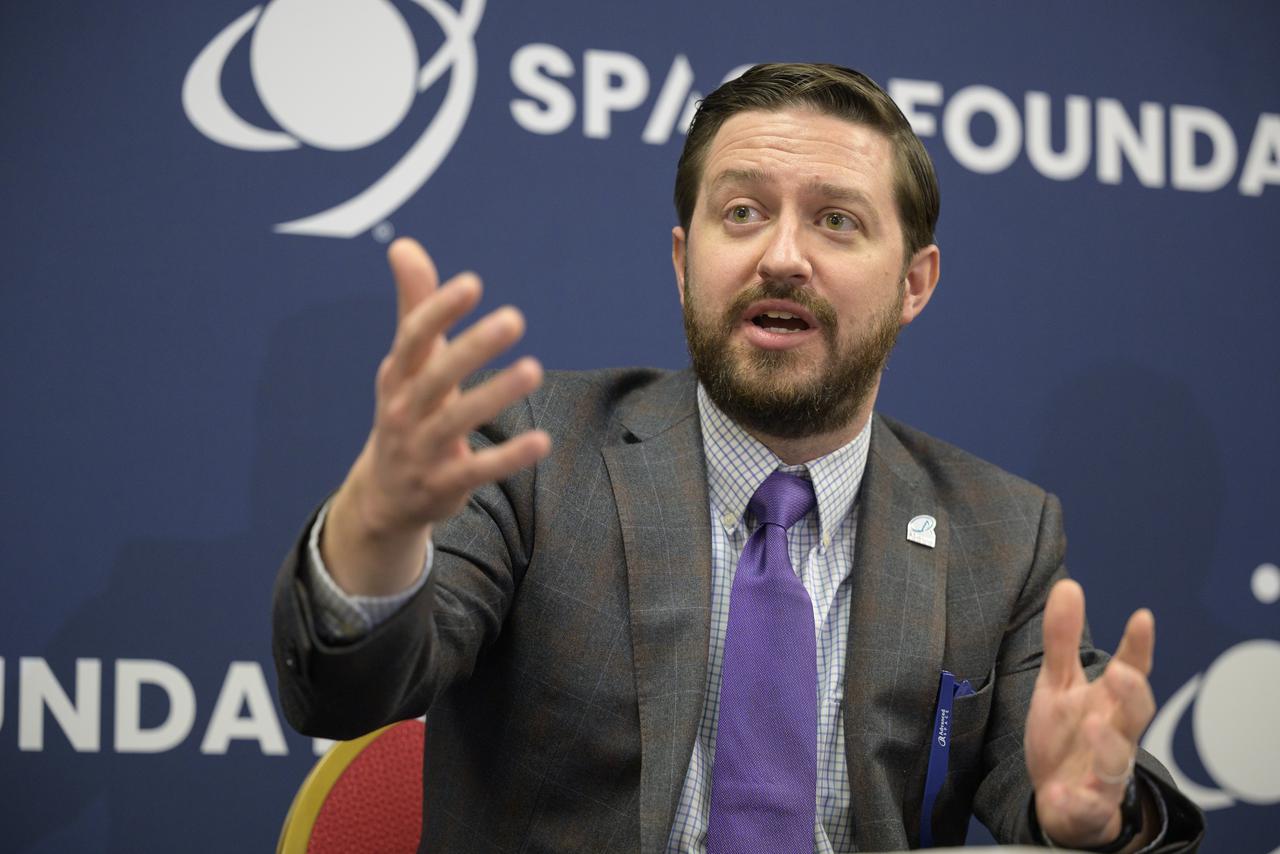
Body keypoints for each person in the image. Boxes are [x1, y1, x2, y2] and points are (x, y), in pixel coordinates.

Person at [272, 63, 1205, 852]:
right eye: (744, 211)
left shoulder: (999, 534)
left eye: (837, 221)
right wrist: (378, 536)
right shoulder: (537, 452)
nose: (783, 256)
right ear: (685, 259)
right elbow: (350, 693)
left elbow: (1075, 772)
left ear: (913, 283)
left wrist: (1097, 815)